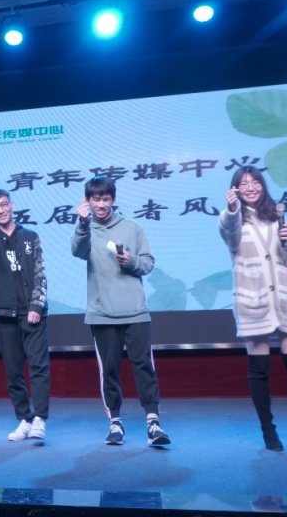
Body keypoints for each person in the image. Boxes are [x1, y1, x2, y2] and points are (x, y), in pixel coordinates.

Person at [219, 165, 287, 451]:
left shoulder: (277, 217)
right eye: (243, 183)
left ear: (263, 186)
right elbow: (229, 233)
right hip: (253, 302)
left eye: (255, 182)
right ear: (235, 189)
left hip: (286, 301)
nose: (250, 187)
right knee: (259, 371)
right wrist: (231, 209)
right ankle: (268, 430)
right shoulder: (234, 219)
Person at [71, 176, 171, 447]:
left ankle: (153, 422)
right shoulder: (85, 228)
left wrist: (131, 261)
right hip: (102, 313)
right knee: (109, 370)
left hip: (135, 311)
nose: (101, 204)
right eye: (96, 199)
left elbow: (148, 263)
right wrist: (82, 224)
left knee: (144, 367)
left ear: (113, 200)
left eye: (105, 199)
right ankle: (115, 423)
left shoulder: (132, 227)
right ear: (88, 201)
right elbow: (77, 251)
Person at [0, 189, 51, 441]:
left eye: (4, 205)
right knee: (14, 370)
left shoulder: (30, 236)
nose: (1, 210)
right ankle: (24, 419)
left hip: (32, 313)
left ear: (12, 205)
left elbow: (40, 272)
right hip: (6, 313)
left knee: (38, 366)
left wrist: (37, 306)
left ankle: (40, 419)